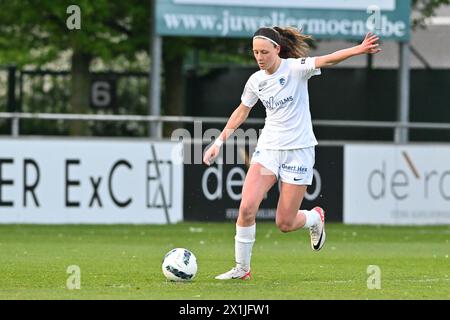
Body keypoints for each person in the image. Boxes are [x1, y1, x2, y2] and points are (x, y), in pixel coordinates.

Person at [203, 27, 381, 280]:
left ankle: (314, 217)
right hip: (268, 150)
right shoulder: (256, 80)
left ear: (277, 49)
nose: (259, 57)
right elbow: (241, 111)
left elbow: (328, 59)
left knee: (284, 223)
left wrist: (359, 49)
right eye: (255, 52)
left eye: (264, 52)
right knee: (246, 208)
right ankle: (242, 269)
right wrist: (218, 142)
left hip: (299, 151)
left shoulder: (296, 68)